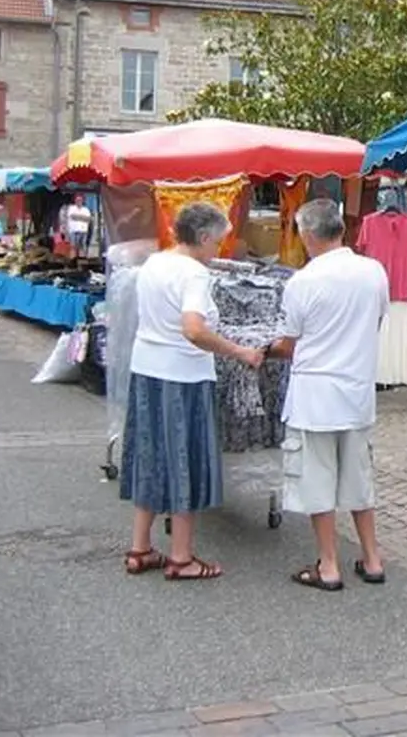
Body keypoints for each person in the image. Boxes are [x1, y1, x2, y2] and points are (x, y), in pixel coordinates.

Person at [120, 202, 264, 581]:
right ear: (202, 238)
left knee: (151, 454)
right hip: (182, 375)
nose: (219, 250)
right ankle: (181, 557)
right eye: (217, 242)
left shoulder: (155, 263)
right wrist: (240, 351)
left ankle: (140, 548)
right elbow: (194, 330)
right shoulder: (194, 275)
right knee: (184, 459)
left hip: (147, 369)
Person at [268, 198, 390, 591]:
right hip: (356, 390)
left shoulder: (302, 281)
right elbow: (376, 321)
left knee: (317, 480)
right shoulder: (373, 272)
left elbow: (289, 345)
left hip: (315, 396)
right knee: (358, 478)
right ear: (341, 228)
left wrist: (266, 350)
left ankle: (329, 564)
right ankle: (372, 558)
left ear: (306, 235)